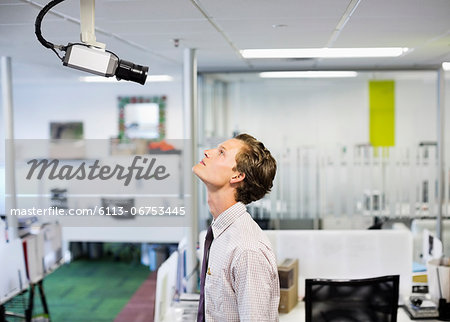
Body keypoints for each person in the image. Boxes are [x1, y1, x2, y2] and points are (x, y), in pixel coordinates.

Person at [193, 133, 280, 322]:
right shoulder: (221, 233)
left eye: (221, 152)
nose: (207, 152)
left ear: (237, 175)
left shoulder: (247, 250)